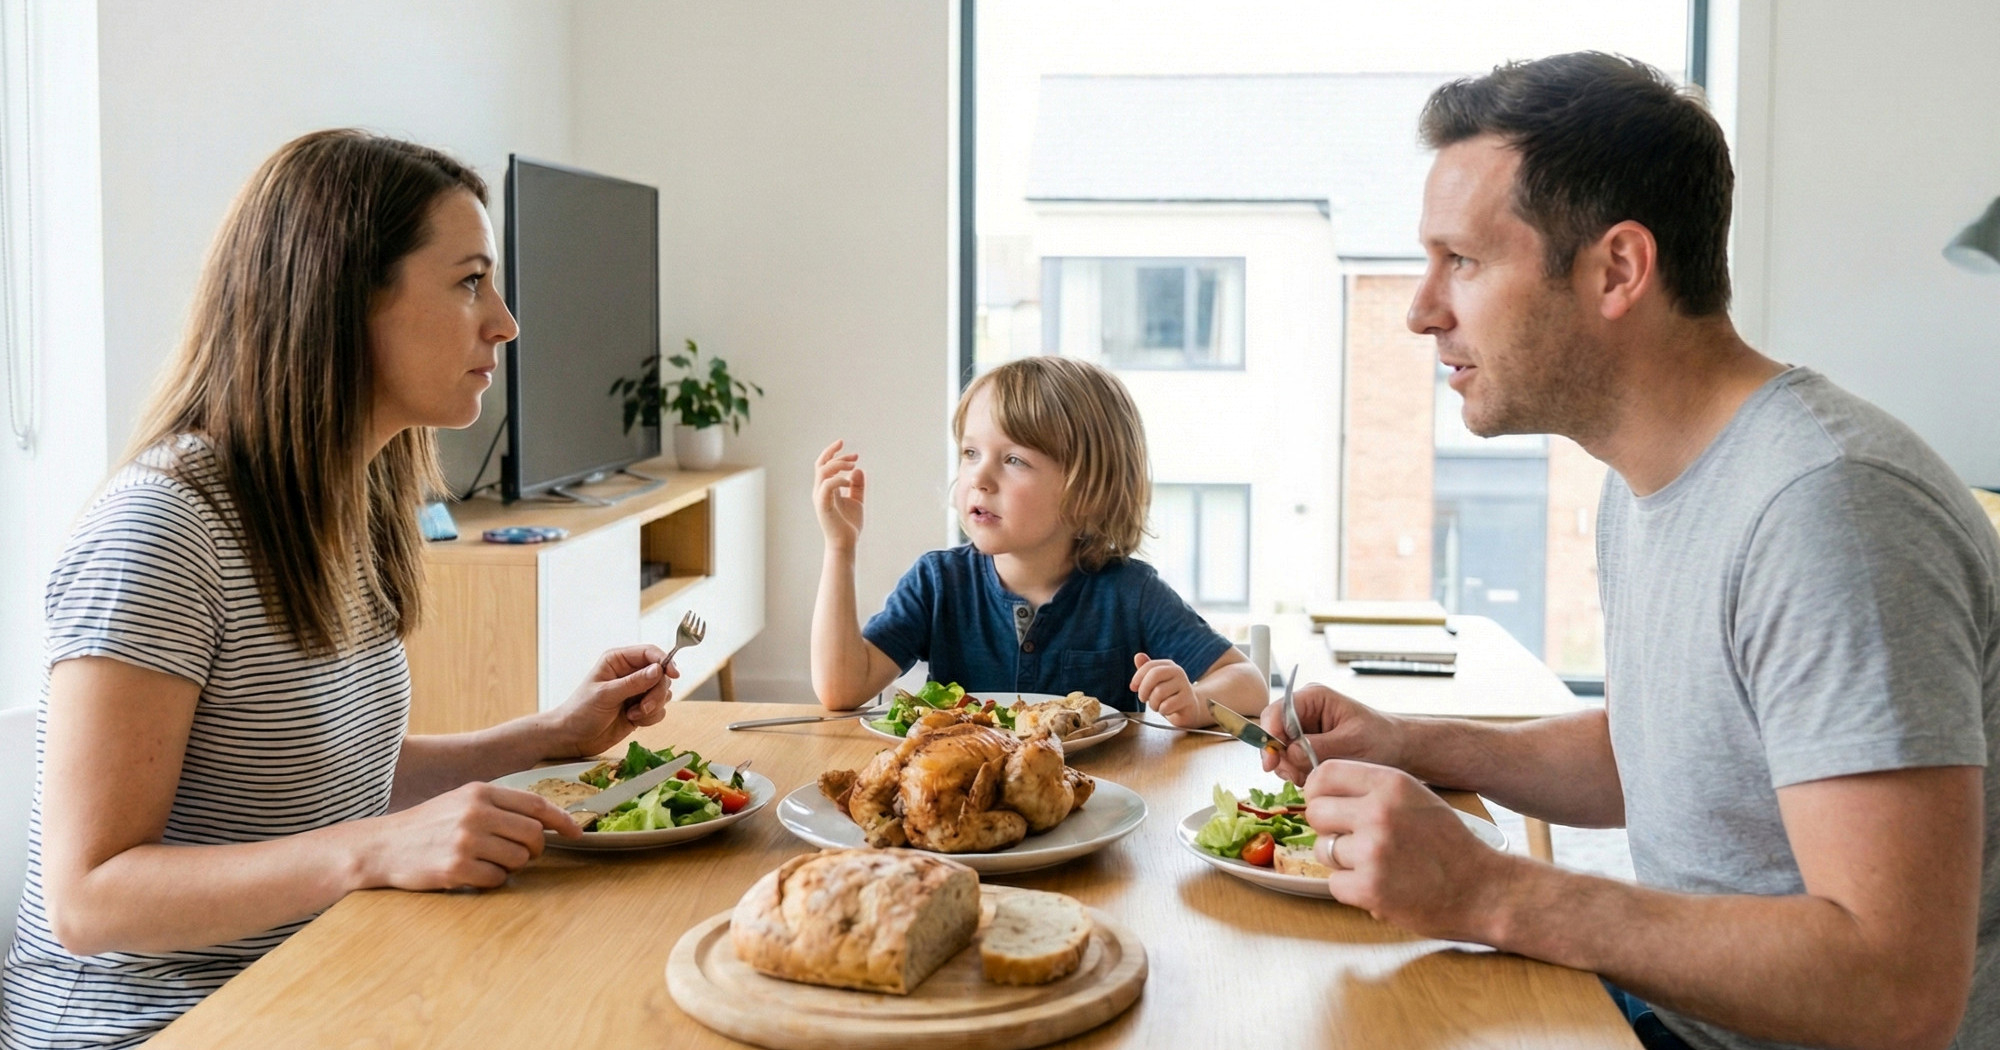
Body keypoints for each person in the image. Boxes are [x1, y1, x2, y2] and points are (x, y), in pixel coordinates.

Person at [1262, 53, 1998, 1050]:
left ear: (1615, 270)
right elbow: (1657, 751)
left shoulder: (1828, 511)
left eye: (1462, 262)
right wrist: (1407, 744)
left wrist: (1491, 893)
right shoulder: (1646, 478)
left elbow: (1893, 990)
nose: (1419, 308)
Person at [0, 130, 679, 1049]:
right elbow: (90, 898)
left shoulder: (351, 503)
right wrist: (372, 850)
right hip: (150, 1027)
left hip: (314, 979)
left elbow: (328, 780)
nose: (505, 323)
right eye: (470, 280)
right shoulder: (163, 530)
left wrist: (548, 737)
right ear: (344, 299)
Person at [811, 355, 1266, 725]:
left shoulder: (1131, 594)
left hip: (1099, 805)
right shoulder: (938, 583)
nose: (979, 478)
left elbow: (1247, 681)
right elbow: (842, 690)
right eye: (971, 453)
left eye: (1013, 459)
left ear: (1086, 489)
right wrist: (841, 549)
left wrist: (1194, 700)